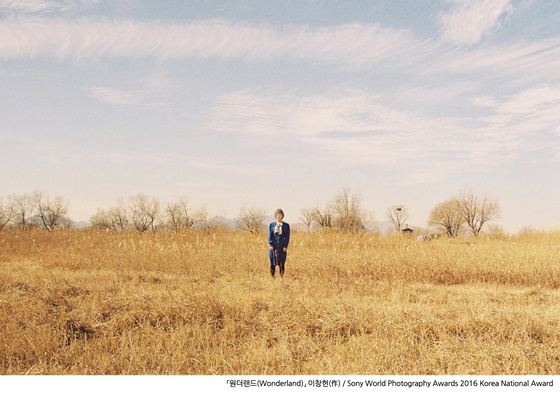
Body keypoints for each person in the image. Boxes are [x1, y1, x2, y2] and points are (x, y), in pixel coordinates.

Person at [268, 208, 290, 278]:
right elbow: (270, 235)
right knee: (272, 262)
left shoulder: (286, 225)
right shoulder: (272, 225)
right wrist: (270, 244)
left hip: (282, 246)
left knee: (282, 262)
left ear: (282, 215)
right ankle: (273, 277)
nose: (278, 216)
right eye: (277, 214)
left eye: (280, 214)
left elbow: (287, 237)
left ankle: (281, 277)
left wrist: (285, 246)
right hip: (273, 246)